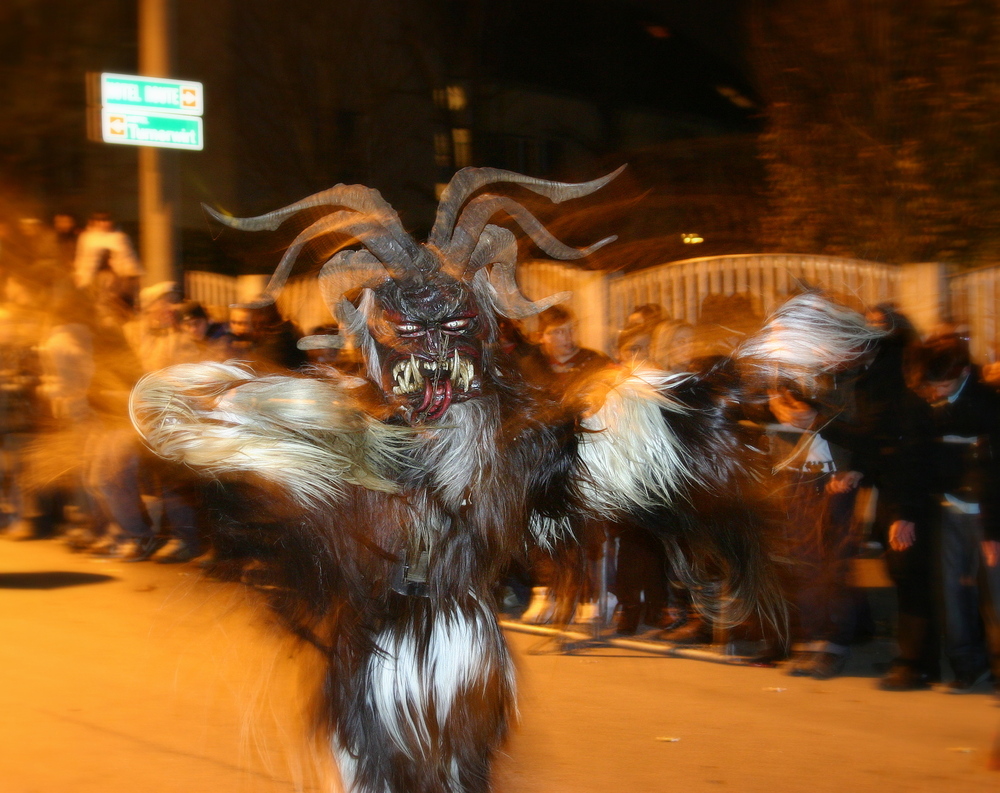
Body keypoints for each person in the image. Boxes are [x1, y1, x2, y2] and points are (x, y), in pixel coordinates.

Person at [895, 333, 1000, 694]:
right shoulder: (923, 404)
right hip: (948, 509)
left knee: (995, 598)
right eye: (930, 386)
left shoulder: (988, 404)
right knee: (952, 595)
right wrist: (905, 513)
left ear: (962, 373)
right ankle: (966, 667)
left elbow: (991, 470)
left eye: (942, 385)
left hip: (987, 511)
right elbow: (914, 460)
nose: (935, 392)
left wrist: (991, 531)